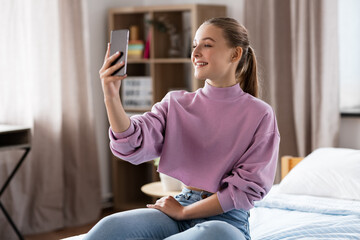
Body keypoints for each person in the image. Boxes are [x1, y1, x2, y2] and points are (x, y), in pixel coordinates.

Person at [85, 17, 280, 240]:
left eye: (206, 45)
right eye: (194, 45)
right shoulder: (175, 103)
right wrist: (110, 95)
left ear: (235, 54)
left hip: (225, 219)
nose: (195, 52)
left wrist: (185, 212)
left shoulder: (260, 114)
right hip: (178, 206)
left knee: (211, 234)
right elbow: (132, 141)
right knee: (108, 228)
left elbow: (245, 190)